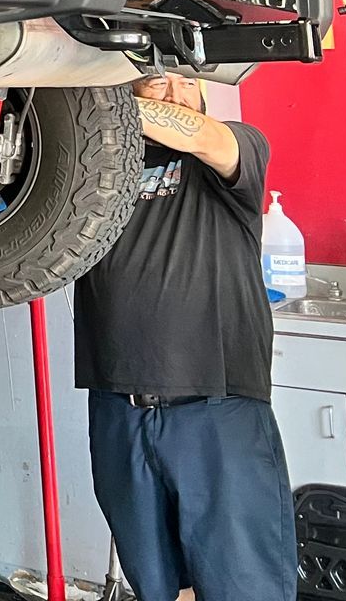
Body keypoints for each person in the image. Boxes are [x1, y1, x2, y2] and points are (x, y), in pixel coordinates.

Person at [73, 73, 296, 601]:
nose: (173, 92)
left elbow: (202, 136)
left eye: (185, 83)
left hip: (215, 411)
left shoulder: (232, 154)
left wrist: (88, 106)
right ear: (129, 90)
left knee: (244, 587)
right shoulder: (87, 175)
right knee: (157, 586)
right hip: (118, 412)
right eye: (155, 82)